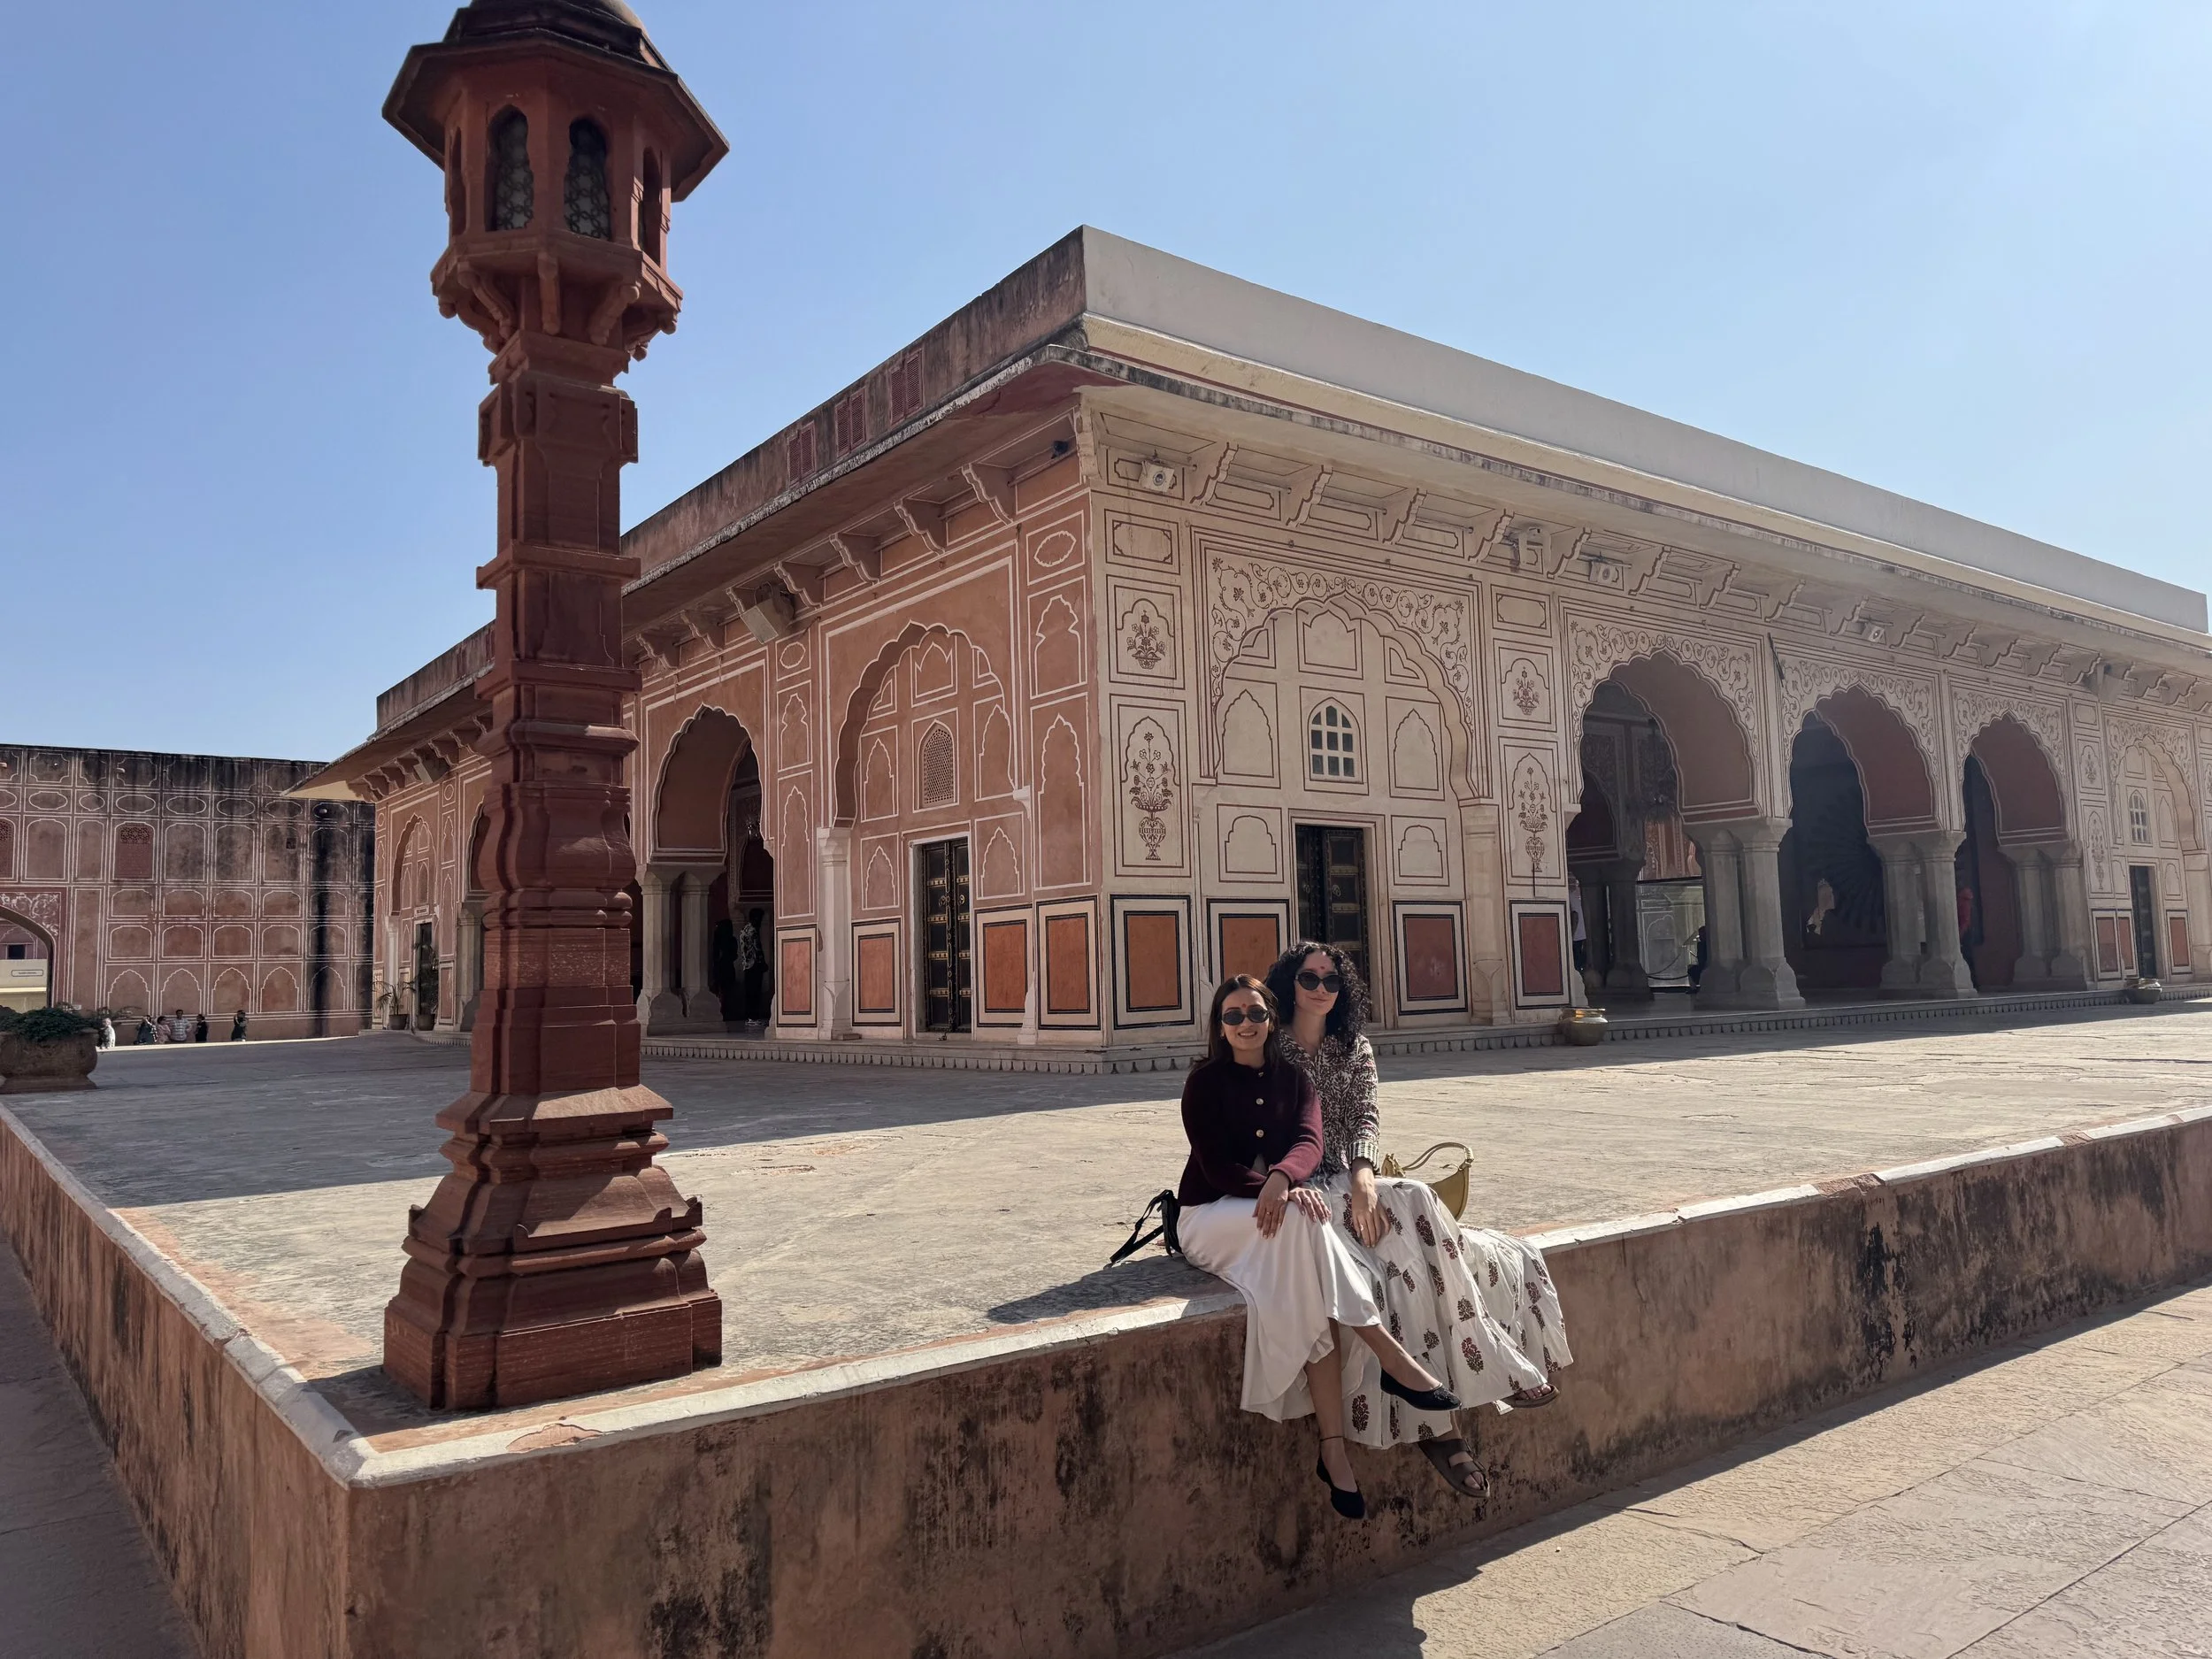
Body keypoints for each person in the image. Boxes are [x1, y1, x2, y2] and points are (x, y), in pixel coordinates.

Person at [1267, 941, 1573, 1500]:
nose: (1319, 989)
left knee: (1419, 1204)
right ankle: (1444, 1430)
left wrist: (1364, 1182)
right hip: (1300, 1194)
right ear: (1289, 983)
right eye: (1309, 978)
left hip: (1348, 1178)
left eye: (1331, 981)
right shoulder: (1270, 1049)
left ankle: (1490, 1367)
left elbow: (1365, 1115)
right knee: (1393, 1276)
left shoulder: (1352, 1046)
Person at [1175, 974, 1463, 1523]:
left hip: (1274, 1216)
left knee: (1309, 1264)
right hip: (1212, 1217)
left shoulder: (1294, 1080)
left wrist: (1285, 1179)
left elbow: (1311, 1141)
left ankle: (1333, 1449)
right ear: (1218, 1026)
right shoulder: (1205, 1082)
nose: (1245, 1024)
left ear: (1270, 1019)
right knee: (1306, 1223)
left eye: (1255, 1014)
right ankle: (1390, 1357)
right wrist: (1277, 1185)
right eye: (1232, 1016)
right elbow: (1214, 1166)